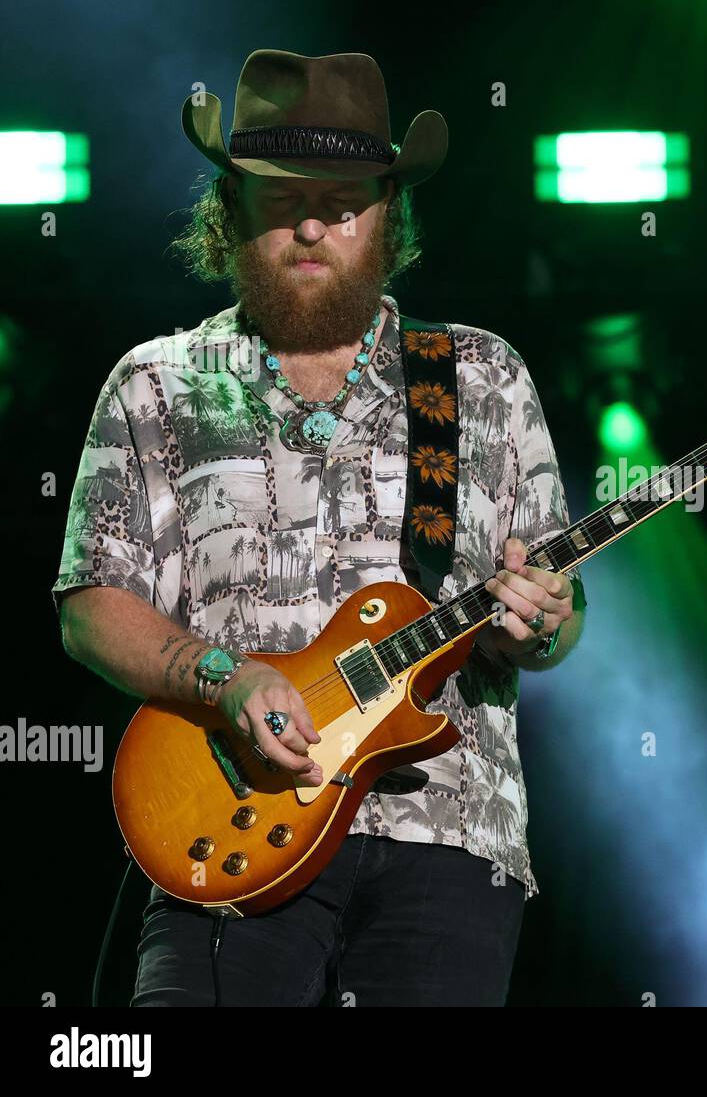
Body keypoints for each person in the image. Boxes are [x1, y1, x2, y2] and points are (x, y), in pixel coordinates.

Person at [51, 49, 586, 1006]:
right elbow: (92, 605)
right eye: (280, 199)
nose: (310, 227)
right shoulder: (157, 382)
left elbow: (555, 613)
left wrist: (543, 618)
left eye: (342, 203)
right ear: (227, 213)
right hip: (230, 827)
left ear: (390, 213)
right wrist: (225, 676)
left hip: (450, 839)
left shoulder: (480, 376)